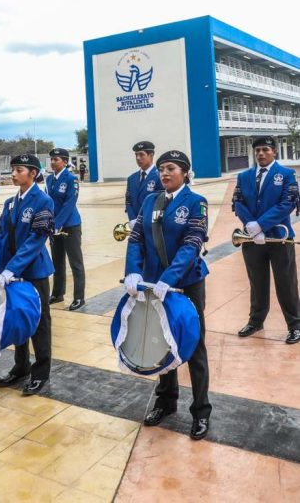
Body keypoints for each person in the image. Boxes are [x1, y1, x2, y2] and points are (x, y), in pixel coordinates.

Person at [125, 150, 212, 440]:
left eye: (171, 168)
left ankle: (201, 411)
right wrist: (134, 272)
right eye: (161, 168)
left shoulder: (196, 203)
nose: (164, 173)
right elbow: (136, 238)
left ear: (185, 172)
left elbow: (191, 244)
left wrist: (168, 279)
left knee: (194, 345)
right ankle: (166, 401)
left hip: (186, 283)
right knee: (161, 340)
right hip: (153, 284)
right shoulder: (150, 200)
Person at [0, 153, 54, 395]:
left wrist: (12, 268)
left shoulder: (44, 201)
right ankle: (20, 366)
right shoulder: (10, 203)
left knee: (40, 321)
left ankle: (41, 372)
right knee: (16, 318)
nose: (13, 174)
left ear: (33, 173)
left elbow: (35, 241)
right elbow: (1, 236)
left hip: (34, 271)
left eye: (19, 170)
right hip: (9, 273)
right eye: (12, 169)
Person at [232, 136, 300, 344]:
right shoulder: (243, 176)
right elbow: (238, 201)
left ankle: (295, 325)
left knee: (286, 283)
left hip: (279, 239)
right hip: (251, 239)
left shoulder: (287, 174)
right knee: (257, 281)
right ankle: (256, 321)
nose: (261, 153)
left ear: (274, 152)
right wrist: (251, 227)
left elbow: (287, 203)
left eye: (265, 150)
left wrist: (260, 225)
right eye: (258, 150)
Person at [46, 148, 86, 311]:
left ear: (64, 161)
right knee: (57, 261)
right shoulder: (49, 180)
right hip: (54, 226)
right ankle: (57, 293)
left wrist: (58, 224)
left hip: (70, 225)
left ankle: (79, 297)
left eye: (56, 159)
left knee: (75, 262)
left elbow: (70, 203)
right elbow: (47, 201)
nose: (53, 162)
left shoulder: (71, 179)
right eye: (52, 159)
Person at [125, 141, 163, 230]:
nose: (138, 158)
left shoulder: (160, 176)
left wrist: (147, 222)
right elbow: (128, 201)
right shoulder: (131, 178)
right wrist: (132, 219)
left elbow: (160, 203)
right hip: (134, 225)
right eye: (136, 155)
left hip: (152, 226)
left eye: (141, 155)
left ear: (151, 155)